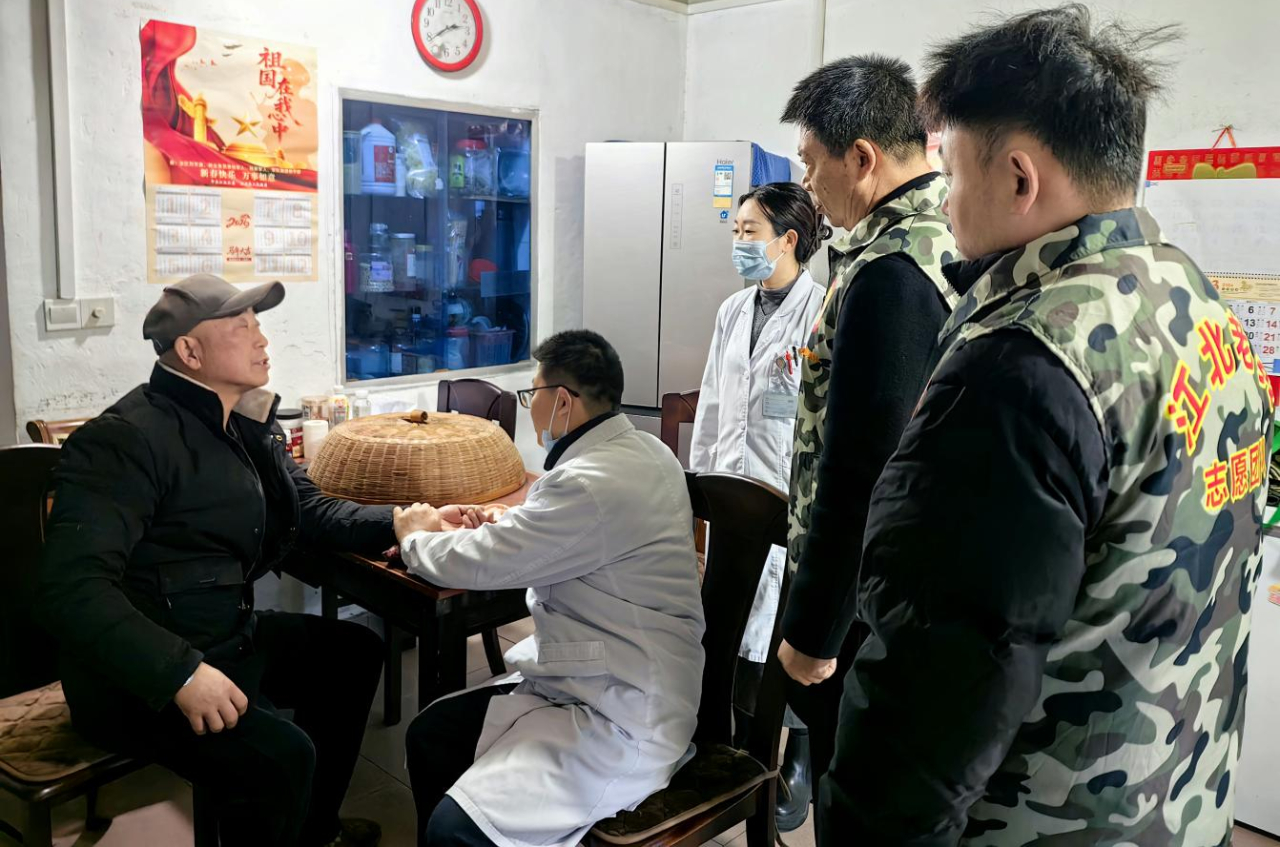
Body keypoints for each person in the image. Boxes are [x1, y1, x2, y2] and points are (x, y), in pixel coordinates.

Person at [822, 5, 1275, 845]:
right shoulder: (1196, 302)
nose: (946, 202)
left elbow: (938, 688)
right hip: (1179, 802)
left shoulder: (1024, 366)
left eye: (951, 172)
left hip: (1042, 821)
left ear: (1019, 178)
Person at [35, 273, 433, 847]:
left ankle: (313, 831)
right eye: (240, 326)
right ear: (190, 351)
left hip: (222, 636)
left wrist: (400, 521)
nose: (261, 338)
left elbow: (308, 509)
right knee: (282, 758)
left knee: (352, 653)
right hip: (138, 676)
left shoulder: (243, 423)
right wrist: (181, 673)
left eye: (258, 324)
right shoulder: (125, 439)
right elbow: (71, 589)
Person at [398, 330, 705, 847]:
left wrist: (415, 538)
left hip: (622, 714)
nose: (531, 407)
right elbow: (577, 532)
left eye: (531, 394)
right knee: (432, 734)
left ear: (562, 400)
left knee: (455, 830)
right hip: (598, 677)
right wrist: (510, 521)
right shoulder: (642, 451)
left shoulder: (588, 482)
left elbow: (480, 563)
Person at [774, 55, 959, 838]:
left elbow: (863, 468)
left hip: (870, 603)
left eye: (811, 162)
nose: (806, 183)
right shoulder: (947, 235)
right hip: (909, 584)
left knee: (852, 790)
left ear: (861, 157)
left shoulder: (892, 272)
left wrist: (815, 629)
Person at [688, 181, 826, 829]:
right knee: (726, 625)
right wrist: (700, 490)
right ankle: (727, 746)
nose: (739, 243)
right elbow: (714, 401)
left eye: (749, 232)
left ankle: (793, 755)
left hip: (787, 503)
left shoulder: (820, 310)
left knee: (782, 636)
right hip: (731, 496)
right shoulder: (732, 310)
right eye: (736, 232)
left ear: (787, 239)